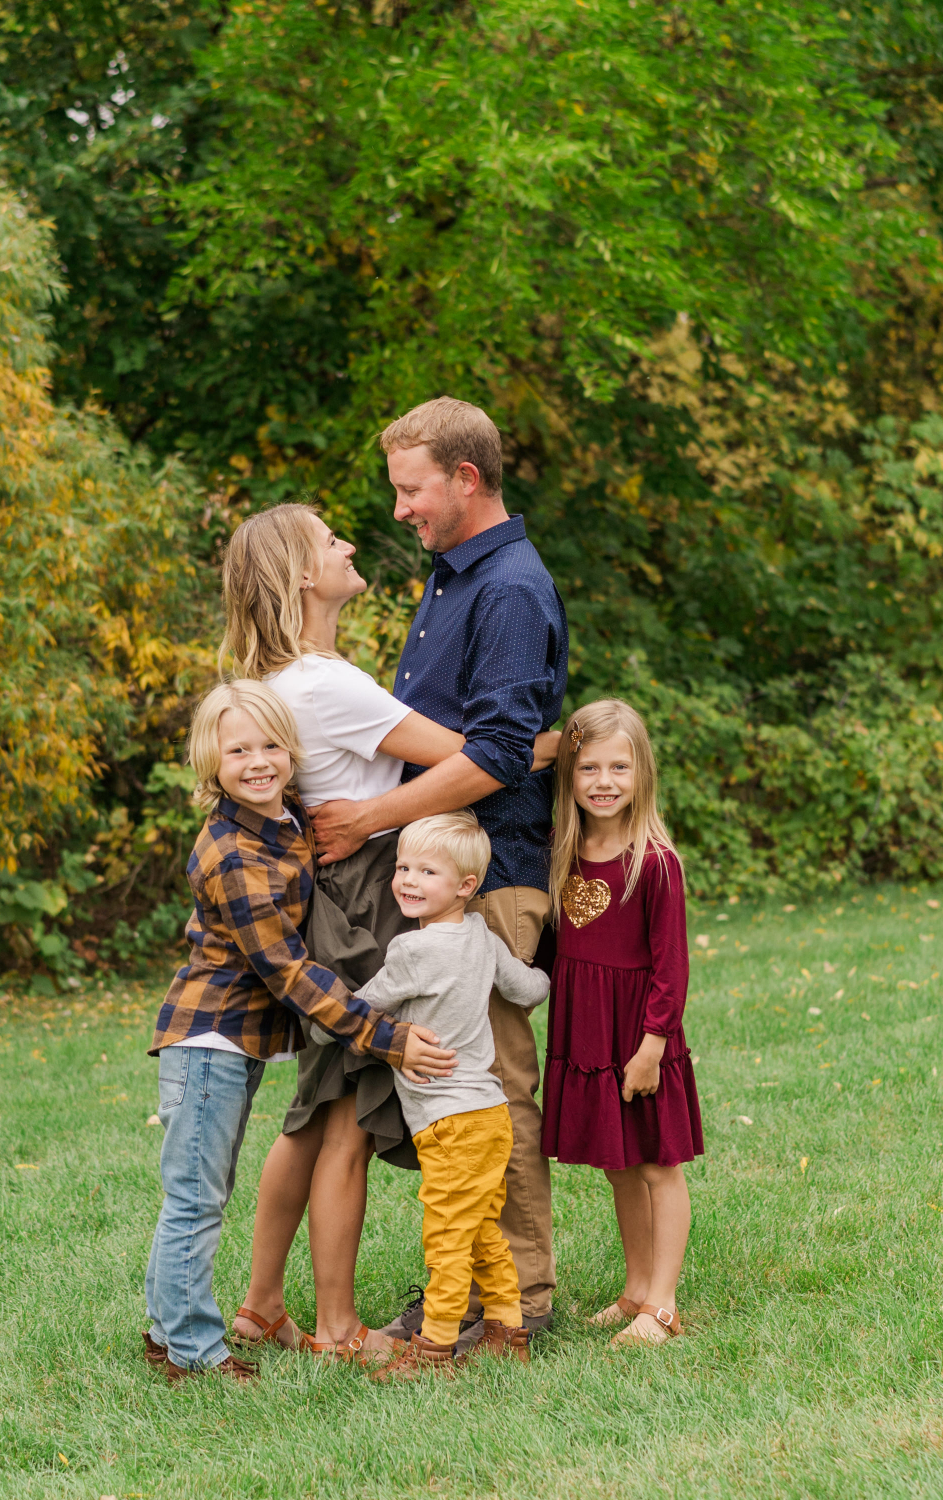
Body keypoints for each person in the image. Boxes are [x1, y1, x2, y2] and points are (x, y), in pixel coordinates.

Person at [220, 504, 557, 1361]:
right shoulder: (321, 683)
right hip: (366, 900)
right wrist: (572, 741)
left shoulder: (307, 675)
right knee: (342, 1120)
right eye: (330, 540)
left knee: (320, 1108)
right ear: (300, 573)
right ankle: (332, 1326)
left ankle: (264, 1304)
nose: (350, 544)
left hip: (348, 891)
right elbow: (479, 756)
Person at [310, 397, 568, 1342]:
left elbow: (498, 750)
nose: (399, 511)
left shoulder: (506, 587)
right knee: (459, 1082)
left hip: (490, 876)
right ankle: (474, 1282)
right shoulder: (453, 575)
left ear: (466, 479)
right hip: (447, 872)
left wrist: (368, 819)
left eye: (411, 491)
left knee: (492, 1086)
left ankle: (521, 1299)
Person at [143, 679, 455, 1382]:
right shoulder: (231, 854)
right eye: (238, 750)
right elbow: (288, 972)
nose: (259, 761)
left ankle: (167, 1331)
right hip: (207, 1042)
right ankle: (194, 1350)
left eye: (272, 745)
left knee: (199, 1190)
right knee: (195, 1198)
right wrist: (386, 1036)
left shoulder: (281, 826)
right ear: (209, 763)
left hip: (234, 1045)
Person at [351, 812, 551, 1379]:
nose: (408, 880)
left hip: (449, 1122)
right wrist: (559, 974)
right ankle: (507, 1332)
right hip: (489, 1114)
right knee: (482, 1228)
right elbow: (526, 986)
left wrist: (315, 1014)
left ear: (466, 886)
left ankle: (435, 1349)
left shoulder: (410, 952)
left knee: (446, 1238)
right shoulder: (483, 938)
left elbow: (361, 1010)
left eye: (426, 871)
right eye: (403, 867)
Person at [540, 699, 703, 1347]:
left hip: (640, 1036)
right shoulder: (565, 852)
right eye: (588, 769)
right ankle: (635, 1288)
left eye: (619, 767)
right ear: (569, 778)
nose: (603, 781)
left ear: (642, 774)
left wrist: (653, 1044)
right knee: (619, 1166)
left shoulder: (654, 860)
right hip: (587, 1033)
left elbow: (672, 966)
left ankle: (662, 1305)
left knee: (660, 1163)